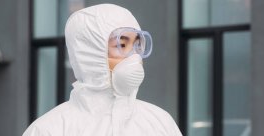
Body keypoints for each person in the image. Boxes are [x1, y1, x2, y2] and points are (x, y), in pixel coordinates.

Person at [23, 3, 183, 136]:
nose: (134, 56)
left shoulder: (160, 123)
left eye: (137, 45)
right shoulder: (51, 130)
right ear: (90, 53)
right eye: (122, 45)